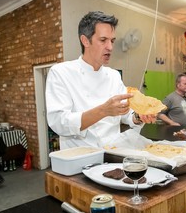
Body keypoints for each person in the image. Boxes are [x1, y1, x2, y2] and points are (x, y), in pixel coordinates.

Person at [45, 11, 156, 149]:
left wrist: (139, 116)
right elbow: (59, 123)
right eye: (103, 40)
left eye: (112, 41)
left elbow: (125, 113)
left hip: (113, 154)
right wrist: (103, 111)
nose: (110, 47)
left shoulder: (114, 76)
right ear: (85, 40)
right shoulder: (61, 73)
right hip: (80, 158)